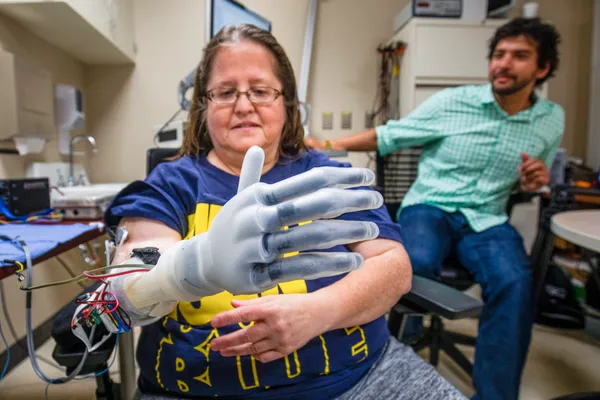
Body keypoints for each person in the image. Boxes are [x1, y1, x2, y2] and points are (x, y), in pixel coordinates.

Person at [104, 24, 466, 400]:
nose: (244, 105)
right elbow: (124, 287)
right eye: (226, 92)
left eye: (261, 91)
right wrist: (196, 265)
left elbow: (393, 266)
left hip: (364, 378)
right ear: (203, 105)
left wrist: (317, 312)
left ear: (286, 102)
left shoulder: (328, 177)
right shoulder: (171, 184)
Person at [305, 18, 564, 400]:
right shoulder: (453, 102)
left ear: (542, 69)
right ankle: (388, 355)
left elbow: (532, 179)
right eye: (498, 54)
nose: (503, 63)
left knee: (515, 284)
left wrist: (534, 179)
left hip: (487, 217)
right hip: (431, 206)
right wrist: (326, 144)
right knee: (413, 263)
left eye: (519, 56)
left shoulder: (550, 118)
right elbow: (390, 135)